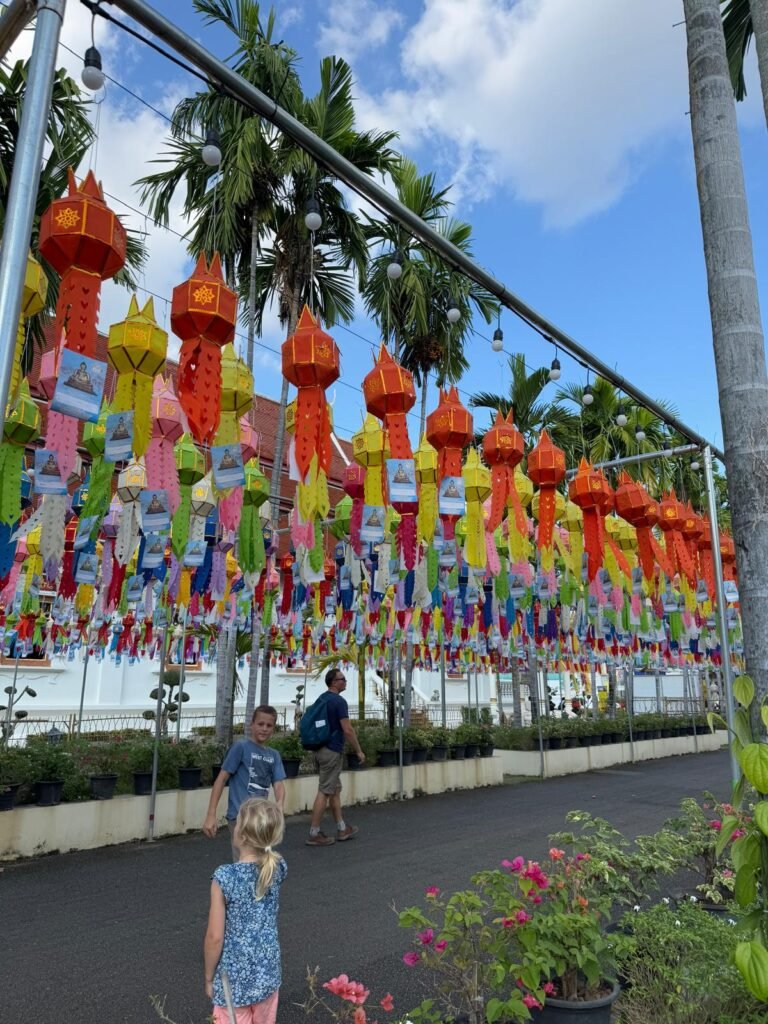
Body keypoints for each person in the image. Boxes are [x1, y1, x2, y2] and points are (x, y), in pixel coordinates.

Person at [204, 799, 287, 1024]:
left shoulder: (225, 877)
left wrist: (209, 977)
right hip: (268, 972)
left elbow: (214, 937)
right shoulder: (277, 868)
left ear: (242, 835)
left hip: (233, 981)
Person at [203, 706, 286, 859]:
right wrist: (211, 814)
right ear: (252, 724)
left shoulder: (274, 755)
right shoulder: (240, 747)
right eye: (260, 724)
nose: (264, 728)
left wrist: (279, 804)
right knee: (244, 862)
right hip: (240, 817)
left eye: (269, 725)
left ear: (273, 729)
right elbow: (221, 779)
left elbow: (278, 783)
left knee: (262, 862)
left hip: (261, 819)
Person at [306, 668, 365, 847]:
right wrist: (358, 750)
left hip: (320, 749)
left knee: (334, 790)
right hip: (331, 751)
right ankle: (314, 833)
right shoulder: (339, 702)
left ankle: (342, 828)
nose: (345, 682)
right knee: (325, 791)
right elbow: (347, 729)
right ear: (334, 682)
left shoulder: (322, 698)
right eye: (342, 679)